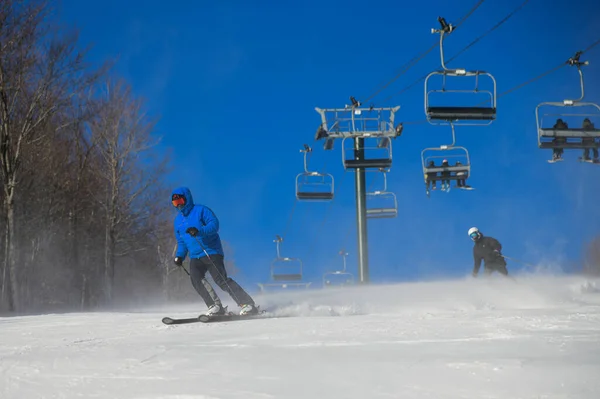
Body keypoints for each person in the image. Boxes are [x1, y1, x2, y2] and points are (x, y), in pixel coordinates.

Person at [171, 186, 258, 316]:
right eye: (175, 203)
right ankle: (215, 306)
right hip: (195, 256)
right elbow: (182, 242)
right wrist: (180, 256)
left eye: (180, 202)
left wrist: (199, 231)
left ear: (187, 199)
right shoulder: (178, 221)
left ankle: (247, 304)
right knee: (196, 279)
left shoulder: (200, 210)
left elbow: (214, 224)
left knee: (220, 280)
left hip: (211, 251)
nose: (178, 205)